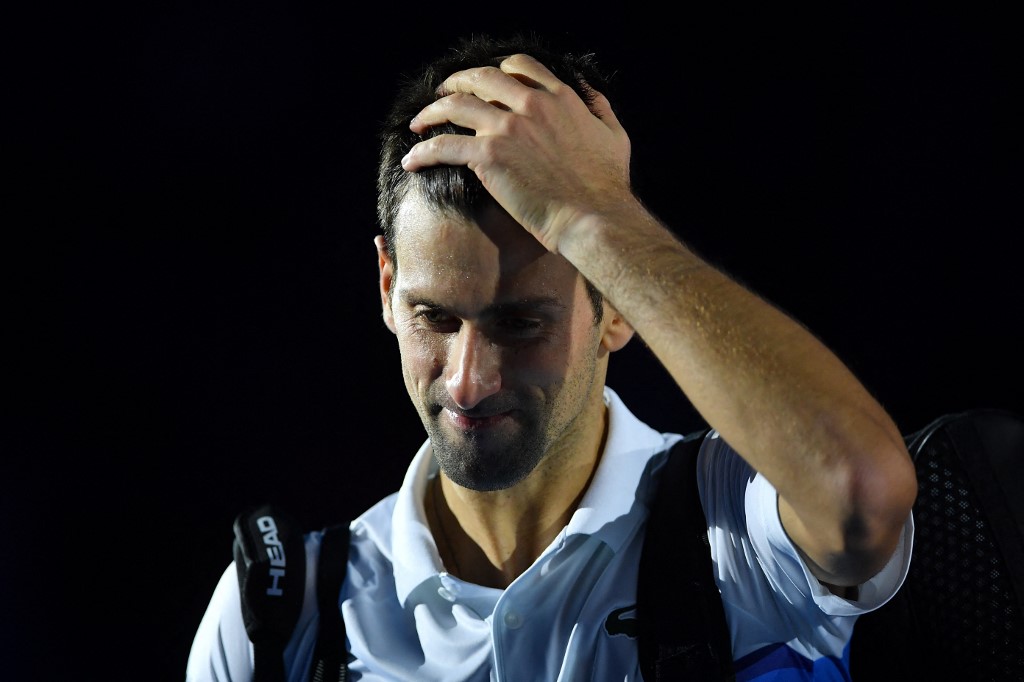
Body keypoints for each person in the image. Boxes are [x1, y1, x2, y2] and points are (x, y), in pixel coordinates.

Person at [186, 32, 917, 681]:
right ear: (385, 285)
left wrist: (599, 216)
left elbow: (861, 491)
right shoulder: (276, 622)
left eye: (520, 323)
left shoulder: (732, 533)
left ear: (618, 303)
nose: (468, 381)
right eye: (433, 317)